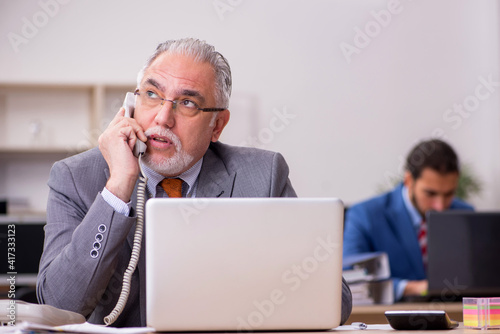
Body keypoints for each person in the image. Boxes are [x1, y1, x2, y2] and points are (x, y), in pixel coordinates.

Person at [36, 38, 352, 327]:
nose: (162, 117)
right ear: (131, 105)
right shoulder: (75, 177)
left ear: (218, 125)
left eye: (187, 103)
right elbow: (59, 303)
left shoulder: (263, 175)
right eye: (151, 94)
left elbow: (334, 302)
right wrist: (118, 187)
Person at [343, 139, 473, 302]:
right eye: (430, 194)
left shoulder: (465, 215)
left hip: (456, 319)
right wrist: (410, 288)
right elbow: (348, 277)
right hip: (386, 320)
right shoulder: (365, 215)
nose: (440, 206)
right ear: (409, 181)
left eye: (448, 194)